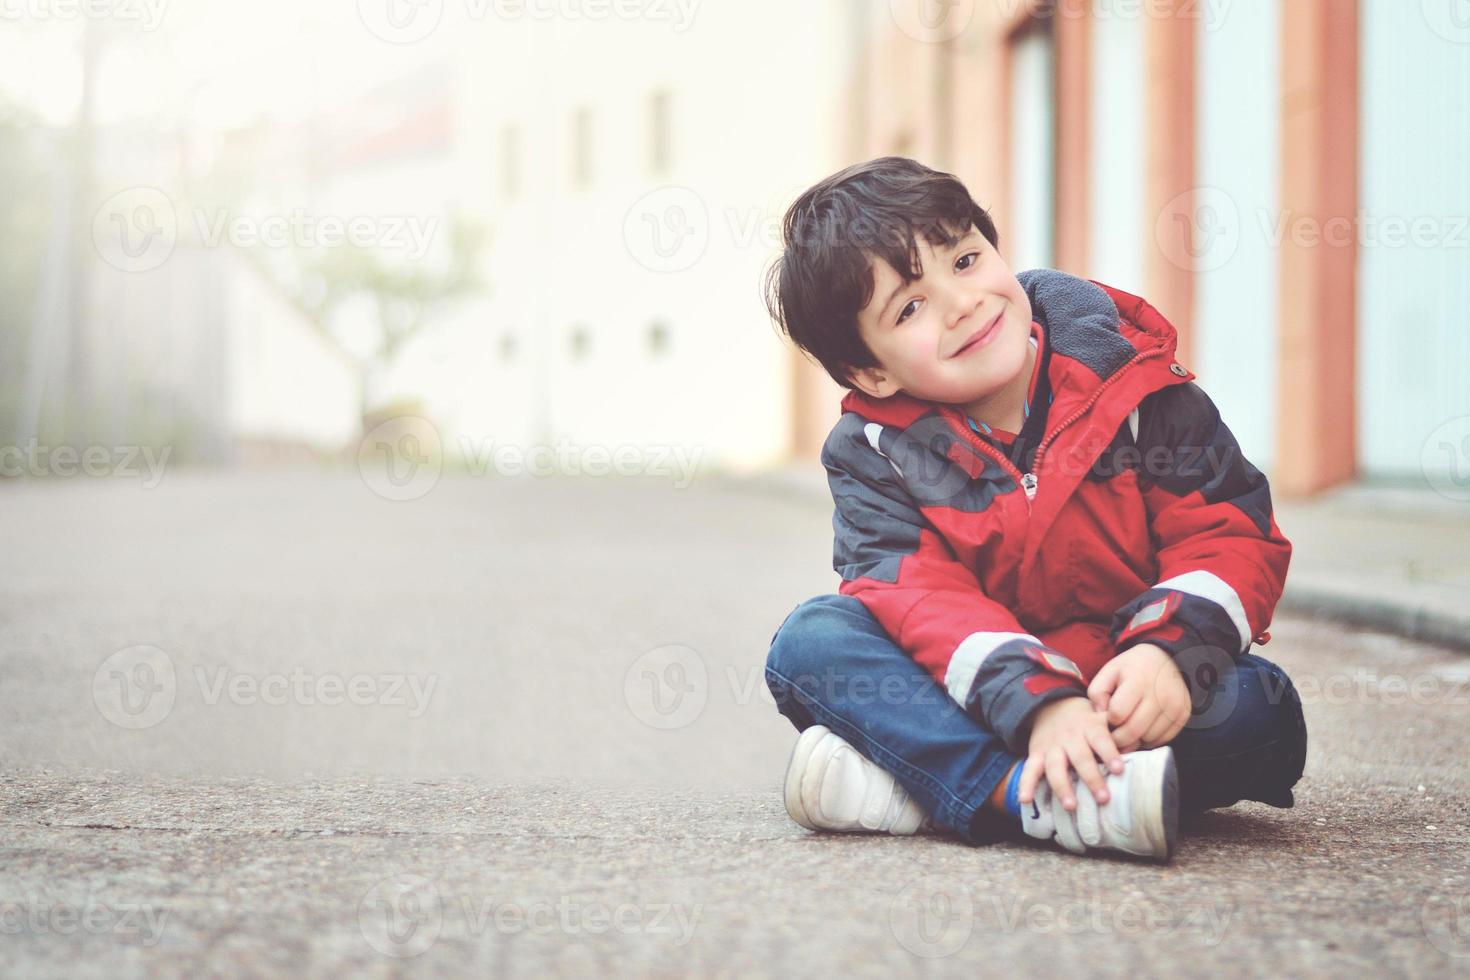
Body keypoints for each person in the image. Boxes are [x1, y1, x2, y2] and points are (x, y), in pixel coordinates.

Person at [760, 157, 1307, 862]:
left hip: (1122, 683)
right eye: (910, 307)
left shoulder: (1132, 379)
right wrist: (1039, 703)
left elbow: (1228, 531)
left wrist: (1169, 654)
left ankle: (927, 788)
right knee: (813, 643)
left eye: (963, 258)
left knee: (1262, 713)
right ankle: (1023, 793)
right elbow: (918, 596)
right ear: (873, 371)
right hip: (977, 689)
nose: (960, 303)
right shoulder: (876, 451)